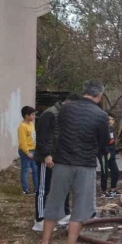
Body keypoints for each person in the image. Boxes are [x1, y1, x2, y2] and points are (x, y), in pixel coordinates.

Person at [36, 81, 109, 244]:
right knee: (80, 206)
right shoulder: (101, 115)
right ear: (99, 96)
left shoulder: (65, 109)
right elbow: (104, 144)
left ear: (83, 92)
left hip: (62, 163)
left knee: (54, 201)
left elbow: (58, 133)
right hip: (85, 165)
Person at [32, 93, 80, 232]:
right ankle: (40, 219)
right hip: (46, 158)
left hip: (61, 158)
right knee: (43, 189)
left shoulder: (66, 116)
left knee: (62, 187)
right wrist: (47, 155)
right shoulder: (50, 114)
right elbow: (43, 137)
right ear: (68, 102)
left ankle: (62, 214)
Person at [98, 112, 120, 198]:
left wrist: (114, 151)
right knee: (105, 172)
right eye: (109, 119)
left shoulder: (112, 129)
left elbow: (112, 142)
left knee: (115, 171)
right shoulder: (103, 129)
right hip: (103, 153)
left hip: (111, 153)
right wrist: (106, 151)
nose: (110, 121)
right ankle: (104, 191)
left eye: (112, 119)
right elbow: (100, 142)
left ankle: (113, 189)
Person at [18, 106, 38, 195]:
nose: (34, 116)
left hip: (33, 150)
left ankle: (37, 189)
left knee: (35, 170)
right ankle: (25, 189)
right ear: (26, 115)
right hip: (26, 151)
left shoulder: (31, 124)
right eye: (32, 115)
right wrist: (27, 152)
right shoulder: (22, 126)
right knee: (25, 170)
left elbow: (33, 138)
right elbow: (22, 142)